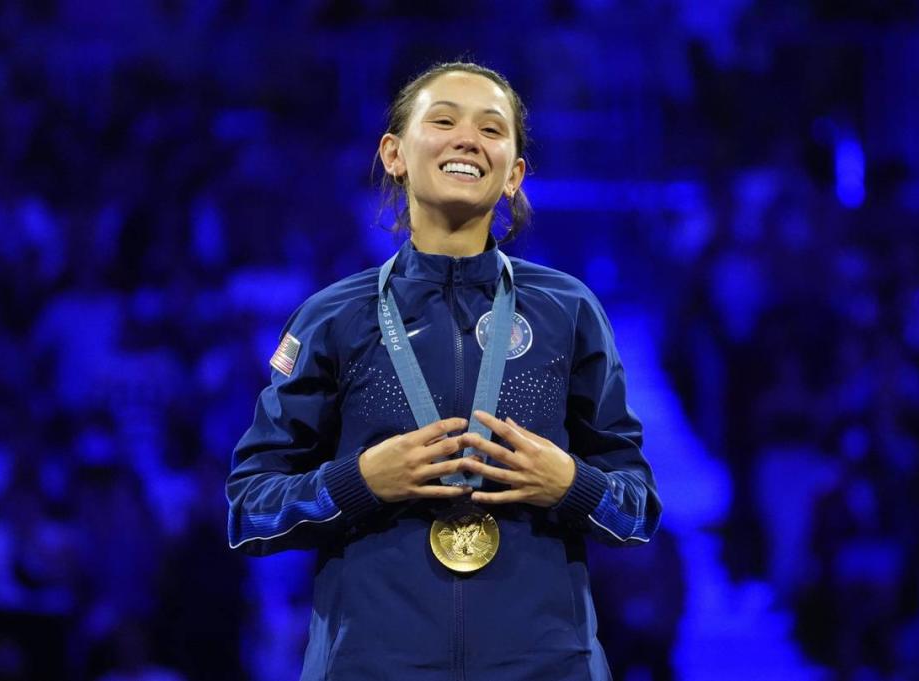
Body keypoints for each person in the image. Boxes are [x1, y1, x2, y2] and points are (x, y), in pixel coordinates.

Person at [226, 61, 662, 681]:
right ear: (395, 153)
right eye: (443, 120)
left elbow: (637, 510)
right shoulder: (332, 318)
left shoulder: (568, 311)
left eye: (491, 129)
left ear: (513, 174)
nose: (467, 139)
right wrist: (359, 482)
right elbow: (249, 511)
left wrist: (571, 484)